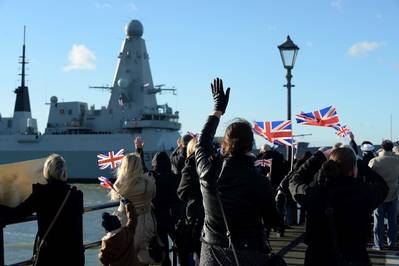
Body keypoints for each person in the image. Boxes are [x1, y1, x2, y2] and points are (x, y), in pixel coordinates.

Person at [195, 78, 283, 265]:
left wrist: (217, 110)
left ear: (224, 144)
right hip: (248, 255)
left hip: (212, 253)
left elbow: (202, 143)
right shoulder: (259, 181)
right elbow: (274, 221)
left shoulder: (207, 172)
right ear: (250, 145)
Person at [289, 147, 388, 266]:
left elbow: (294, 182)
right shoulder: (363, 194)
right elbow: (382, 187)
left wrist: (317, 158)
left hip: (318, 257)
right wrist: (360, 164)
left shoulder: (314, 194)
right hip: (354, 256)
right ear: (353, 169)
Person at [0, 154, 84, 266]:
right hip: (73, 257)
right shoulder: (77, 195)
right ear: (64, 173)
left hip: (49, 256)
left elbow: (16, 214)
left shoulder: (41, 194)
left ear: (46, 172)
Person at [110, 153, 157, 265]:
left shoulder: (119, 185)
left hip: (126, 224)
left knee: (126, 257)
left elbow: (115, 197)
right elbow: (153, 195)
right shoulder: (148, 183)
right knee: (143, 257)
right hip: (146, 223)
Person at [150, 151, 180, 266]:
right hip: (174, 218)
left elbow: (143, 170)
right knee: (182, 248)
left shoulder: (153, 180)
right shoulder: (176, 178)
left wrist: (139, 151)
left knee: (164, 252)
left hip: (159, 219)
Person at [177, 137, 204, 265]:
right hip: (211, 213)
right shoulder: (212, 163)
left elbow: (181, 193)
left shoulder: (189, 167)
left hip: (195, 213)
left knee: (193, 249)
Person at [369, 139, 399, 250]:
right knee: (392, 222)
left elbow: (368, 176)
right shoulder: (397, 160)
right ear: (391, 147)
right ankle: (392, 244)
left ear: (382, 147)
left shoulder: (375, 161)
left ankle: (378, 244)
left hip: (378, 196)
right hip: (393, 194)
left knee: (378, 222)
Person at [99, 199, 139, 266]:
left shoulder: (107, 242)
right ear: (119, 224)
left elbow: (103, 259)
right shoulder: (128, 231)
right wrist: (128, 205)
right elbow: (133, 219)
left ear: (107, 230)